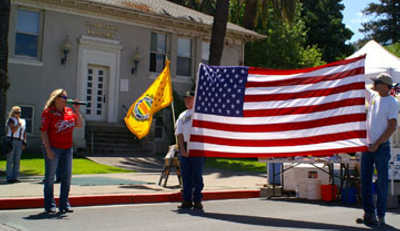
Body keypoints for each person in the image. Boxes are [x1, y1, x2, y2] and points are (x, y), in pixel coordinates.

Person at [361, 73, 399, 227]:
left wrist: (377, 143)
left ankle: (381, 215)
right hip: (369, 145)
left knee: (381, 181)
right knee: (365, 180)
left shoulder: (392, 102)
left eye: (377, 82)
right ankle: (369, 213)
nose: (374, 84)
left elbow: (392, 126)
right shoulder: (375, 97)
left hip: (380, 147)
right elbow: (361, 87)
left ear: (385, 85)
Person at [40, 89, 83, 214]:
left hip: (67, 148)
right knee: (50, 177)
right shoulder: (48, 112)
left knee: (67, 177)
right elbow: (43, 132)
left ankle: (64, 203)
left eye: (66, 97)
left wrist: (77, 110)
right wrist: (48, 149)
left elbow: (79, 124)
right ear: (56, 98)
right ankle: (50, 205)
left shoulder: (69, 111)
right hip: (53, 147)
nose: (65, 99)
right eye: (63, 97)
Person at [175, 90, 205, 210]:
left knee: (197, 175)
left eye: (189, 98)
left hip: (197, 146)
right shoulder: (182, 115)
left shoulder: (201, 114)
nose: (187, 100)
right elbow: (179, 134)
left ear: (195, 99)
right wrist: (182, 148)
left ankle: (197, 200)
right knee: (186, 175)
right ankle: (187, 200)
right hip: (186, 146)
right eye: (185, 98)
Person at [5, 106, 27, 183]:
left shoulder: (23, 121)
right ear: (13, 112)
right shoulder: (11, 120)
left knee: (17, 160)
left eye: (19, 112)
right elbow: (13, 130)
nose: (18, 114)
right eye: (16, 112)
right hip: (11, 140)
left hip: (19, 141)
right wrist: (18, 124)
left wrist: (24, 142)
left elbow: (24, 132)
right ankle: (9, 177)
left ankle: (15, 177)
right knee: (10, 159)